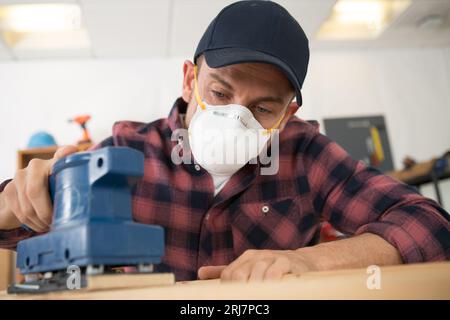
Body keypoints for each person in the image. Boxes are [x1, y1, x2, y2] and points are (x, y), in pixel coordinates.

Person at [0, 1, 448, 282]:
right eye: (219, 93)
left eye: (263, 108)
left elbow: (431, 226)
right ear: (189, 79)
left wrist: (311, 262)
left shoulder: (306, 154)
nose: (235, 117)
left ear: (288, 114)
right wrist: (19, 200)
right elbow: (19, 224)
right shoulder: (128, 150)